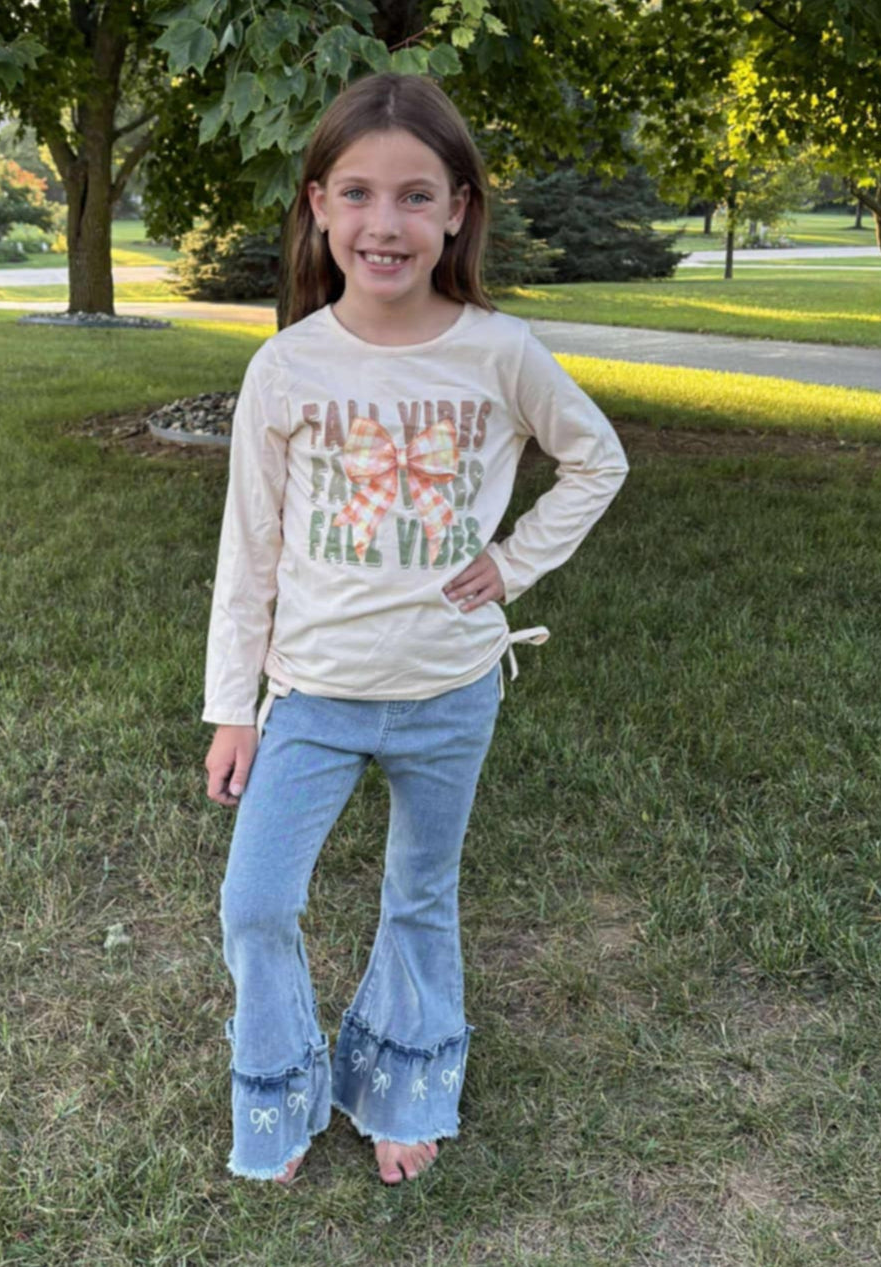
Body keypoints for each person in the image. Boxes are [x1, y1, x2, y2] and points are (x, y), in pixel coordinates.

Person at [203, 71, 629, 1186]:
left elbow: (597, 459)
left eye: (412, 196)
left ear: (456, 210)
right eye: (356, 194)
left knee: (418, 894)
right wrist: (231, 708)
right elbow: (247, 550)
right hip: (313, 696)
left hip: (450, 691)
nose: (382, 223)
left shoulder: (498, 351)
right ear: (317, 207)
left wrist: (514, 562)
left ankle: (402, 1081)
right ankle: (283, 1085)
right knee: (254, 902)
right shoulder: (286, 366)